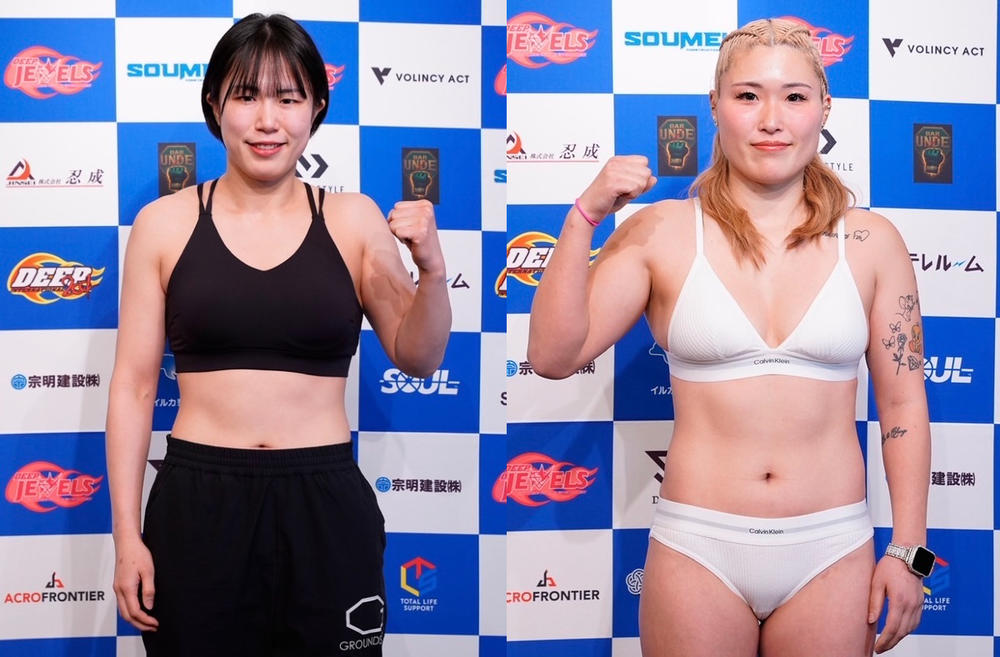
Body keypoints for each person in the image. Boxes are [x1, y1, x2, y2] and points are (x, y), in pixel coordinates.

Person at [528, 18, 931, 657]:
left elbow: (904, 405)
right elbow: (552, 357)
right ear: (715, 106)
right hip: (698, 545)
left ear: (824, 108)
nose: (771, 119)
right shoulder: (660, 232)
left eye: (794, 96)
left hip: (832, 547)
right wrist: (584, 217)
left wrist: (910, 552)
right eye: (748, 96)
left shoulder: (872, 241)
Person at [106, 13, 451, 656]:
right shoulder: (163, 224)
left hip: (325, 503)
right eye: (247, 96)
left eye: (288, 99)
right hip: (198, 504)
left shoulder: (353, 219)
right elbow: (132, 388)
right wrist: (127, 535)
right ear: (215, 105)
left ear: (315, 108)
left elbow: (421, 356)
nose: (268, 120)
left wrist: (431, 270)